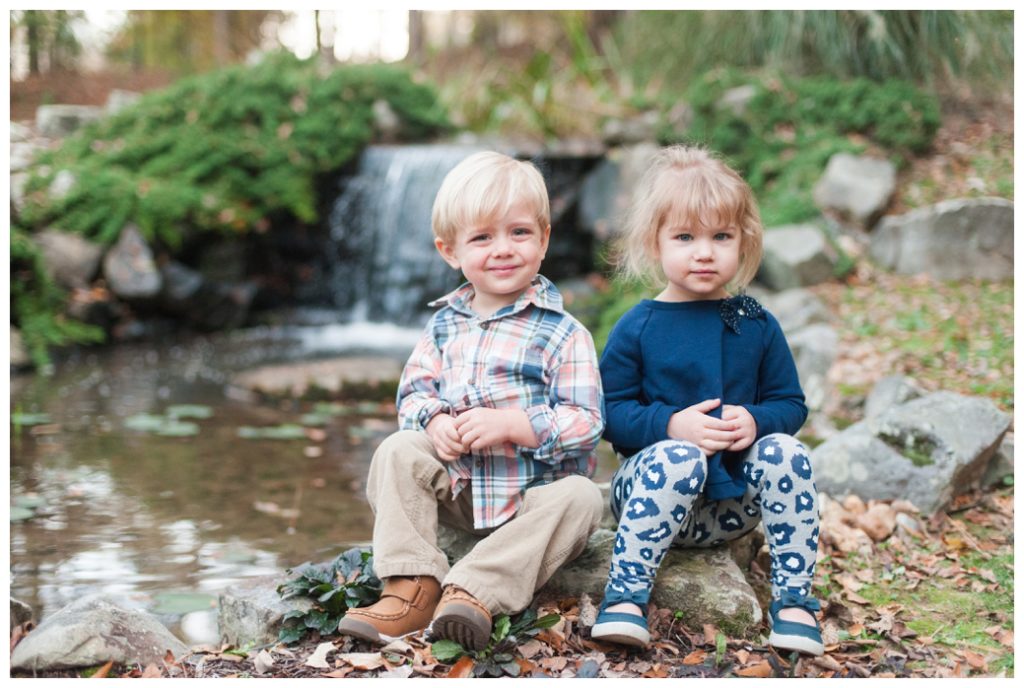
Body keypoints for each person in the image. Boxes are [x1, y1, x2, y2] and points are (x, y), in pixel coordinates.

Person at [337, 151, 605, 651]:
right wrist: (434, 420)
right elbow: (414, 392)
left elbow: (587, 421)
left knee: (584, 498)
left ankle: (473, 592)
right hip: (463, 489)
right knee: (398, 449)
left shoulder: (564, 335)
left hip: (533, 496)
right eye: (482, 238)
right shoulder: (443, 327)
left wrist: (514, 424)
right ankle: (412, 585)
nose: (502, 249)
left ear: (544, 240)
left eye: (519, 233)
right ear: (450, 250)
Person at [590, 145, 823, 656]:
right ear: (656, 243)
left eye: (721, 236)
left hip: (730, 509)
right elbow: (609, 416)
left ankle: (795, 603)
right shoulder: (639, 325)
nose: (704, 252)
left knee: (788, 452)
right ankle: (625, 598)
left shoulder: (754, 321)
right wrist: (671, 426)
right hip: (652, 500)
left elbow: (791, 402)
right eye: (685, 237)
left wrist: (757, 422)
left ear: (744, 240)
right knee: (678, 456)